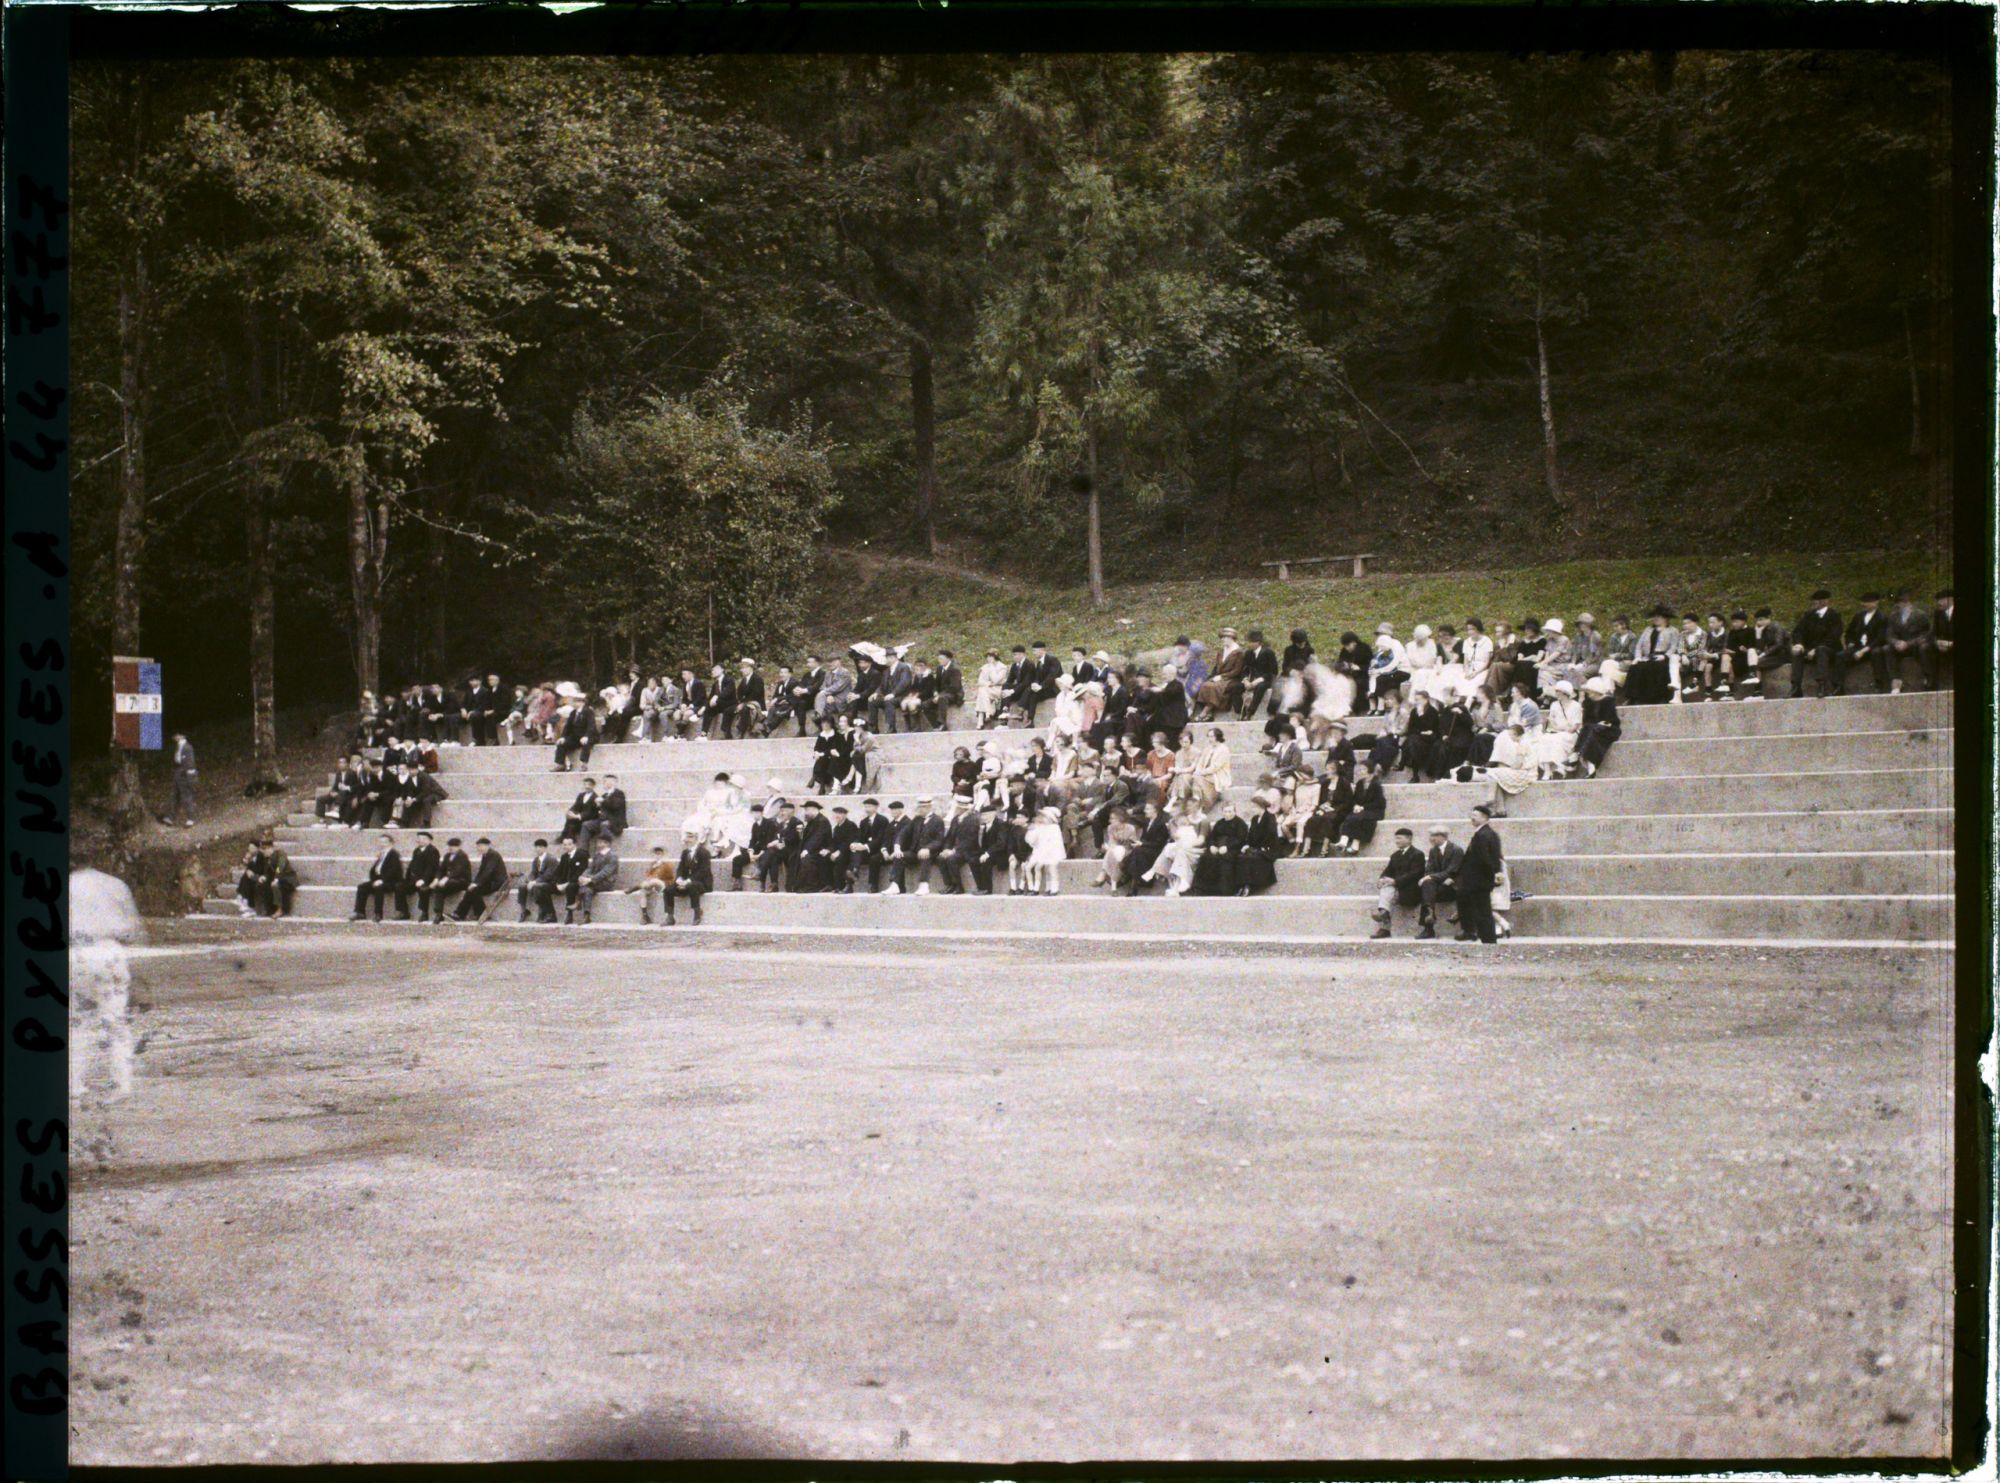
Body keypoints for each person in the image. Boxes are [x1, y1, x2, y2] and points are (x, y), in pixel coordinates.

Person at [69, 858, 144, 1106]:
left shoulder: (68, 885)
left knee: (77, 1022)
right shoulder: (115, 885)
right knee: (115, 1021)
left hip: (77, 953)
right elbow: (132, 929)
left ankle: (74, 1084)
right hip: (108, 952)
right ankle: (122, 1083)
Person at [1456, 804, 1504, 944]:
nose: (1472, 818)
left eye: (1475, 815)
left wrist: (1493, 873)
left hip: (1479, 880)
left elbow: (1486, 858)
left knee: (1482, 912)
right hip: (1479, 879)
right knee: (1481, 910)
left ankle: (1488, 941)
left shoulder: (1483, 835)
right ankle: (1485, 939)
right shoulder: (1486, 833)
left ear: (1484, 817)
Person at [1371, 827, 1425, 938]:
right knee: (1386, 888)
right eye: (1396, 838)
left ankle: (1384, 925)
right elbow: (1388, 871)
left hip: (1411, 890)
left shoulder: (1418, 854)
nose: (1396, 841)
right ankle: (1384, 915)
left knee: (1387, 892)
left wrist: (1395, 881)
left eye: (1399, 838)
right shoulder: (1395, 855)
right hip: (1396, 888)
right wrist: (1382, 879)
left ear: (1409, 839)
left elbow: (1415, 874)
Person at [1790, 589, 1843, 698]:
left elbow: (1834, 636)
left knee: (1821, 650)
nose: (1814, 603)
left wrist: (1816, 649)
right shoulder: (1809, 615)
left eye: (1818, 601)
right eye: (1814, 601)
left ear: (1825, 601)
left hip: (1830, 649)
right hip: (1811, 649)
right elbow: (1798, 631)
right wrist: (1799, 644)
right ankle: (1796, 687)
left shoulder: (1834, 615)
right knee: (1797, 653)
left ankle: (1822, 685)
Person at [1415, 824, 1464, 940]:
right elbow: (1429, 870)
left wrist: (1430, 877)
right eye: (1431, 836)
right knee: (1427, 885)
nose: (1431, 839)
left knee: (1427, 887)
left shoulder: (1456, 850)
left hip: (1453, 886)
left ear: (1444, 836)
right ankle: (1429, 915)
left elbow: (1452, 871)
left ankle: (1428, 925)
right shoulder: (1433, 851)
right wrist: (1429, 877)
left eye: (1434, 836)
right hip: (1439, 886)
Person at [350, 833, 405, 922]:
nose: (382, 844)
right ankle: (360, 912)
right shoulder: (381, 855)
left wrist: (382, 880)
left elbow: (393, 871)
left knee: (379, 888)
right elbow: (375, 870)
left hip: (390, 881)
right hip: (379, 879)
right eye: (381, 842)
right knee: (362, 887)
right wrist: (374, 880)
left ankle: (378, 913)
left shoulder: (394, 854)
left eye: (385, 842)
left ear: (391, 843)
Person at [1884, 591, 1932, 693]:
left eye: (1903, 602)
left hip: (1915, 646)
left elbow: (1926, 634)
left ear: (1909, 603)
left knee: (1924, 648)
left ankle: (1928, 677)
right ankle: (1896, 680)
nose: (1900, 605)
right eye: (1899, 603)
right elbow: (1889, 634)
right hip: (1899, 647)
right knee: (1887, 649)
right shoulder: (1893, 616)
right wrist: (1896, 642)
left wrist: (1909, 644)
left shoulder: (1921, 615)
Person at [1335, 761, 1386, 855]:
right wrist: (1355, 805)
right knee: (1352, 816)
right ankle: (1346, 842)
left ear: (1369, 770)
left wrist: (1363, 807)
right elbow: (1354, 799)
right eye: (1360, 769)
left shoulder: (1376, 784)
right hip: (1361, 810)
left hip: (1375, 810)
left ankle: (1351, 843)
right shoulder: (1360, 783)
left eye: (1363, 769)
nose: (1360, 771)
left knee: (1358, 817)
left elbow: (1380, 803)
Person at [1194, 627, 1246, 719]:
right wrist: (1212, 676)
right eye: (1222, 637)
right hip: (1219, 677)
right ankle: (1209, 713)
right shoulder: (1221, 651)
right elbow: (1216, 667)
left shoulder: (1239, 652)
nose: (1222, 639)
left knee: (1214, 687)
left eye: (1225, 637)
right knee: (1204, 685)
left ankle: (1205, 712)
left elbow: (1236, 670)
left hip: (1232, 678)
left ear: (1231, 638)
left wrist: (1222, 676)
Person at [453, 837, 508, 921]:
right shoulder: (485, 855)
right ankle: (462, 914)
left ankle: (464, 914)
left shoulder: (493, 855)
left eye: (481, 846)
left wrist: (477, 883)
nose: (479, 848)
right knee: (471, 890)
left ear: (487, 846)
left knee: (474, 890)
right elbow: (481, 872)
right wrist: (474, 883)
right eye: (478, 846)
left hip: (497, 883)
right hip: (489, 881)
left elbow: (488, 871)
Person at [1575, 676, 1620, 776]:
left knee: (1591, 731)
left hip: (1608, 729)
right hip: (1592, 729)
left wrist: (1602, 724)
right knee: (1589, 729)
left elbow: (1611, 720)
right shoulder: (1588, 703)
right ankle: (1591, 767)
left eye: (1590, 691)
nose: (1588, 694)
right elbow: (1586, 720)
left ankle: (1577, 754)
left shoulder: (1608, 701)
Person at [421, 837, 472, 924]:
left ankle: (438, 913)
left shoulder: (462, 856)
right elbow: (441, 869)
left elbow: (457, 871)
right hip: (449, 882)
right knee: (438, 889)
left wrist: (446, 878)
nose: (451, 848)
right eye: (450, 846)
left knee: (440, 887)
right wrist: (437, 879)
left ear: (459, 847)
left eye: (454, 846)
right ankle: (438, 913)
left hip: (462, 881)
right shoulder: (447, 856)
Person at [570, 834, 620, 924]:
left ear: (607, 843)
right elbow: (590, 868)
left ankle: (578, 902)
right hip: (594, 881)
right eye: (598, 842)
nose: (598, 844)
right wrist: (583, 876)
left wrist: (590, 879)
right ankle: (586, 915)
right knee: (587, 889)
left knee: (586, 885)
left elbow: (605, 872)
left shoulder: (612, 856)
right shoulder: (597, 855)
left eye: (601, 842)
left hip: (607, 882)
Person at [665, 829, 712, 924]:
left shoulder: (704, 853)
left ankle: (697, 913)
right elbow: (680, 868)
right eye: (687, 837)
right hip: (686, 882)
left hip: (702, 883)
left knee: (692, 886)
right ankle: (670, 916)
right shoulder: (685, 853)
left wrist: (687, 881)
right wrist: (679, 879)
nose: (688, 840)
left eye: (691, 837)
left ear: (697, 839)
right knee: (668, 889)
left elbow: (703, 872)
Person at [1023, 806, 1066, 895]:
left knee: (1052, 870)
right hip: (1044, 852)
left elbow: (1055, 842)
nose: (1042, 819)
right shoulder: (1041, 827)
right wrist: (1032, 831)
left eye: (1045, 817)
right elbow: (1033, 841)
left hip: (1053, 852)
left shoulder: (1054, 828)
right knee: (1047, 870)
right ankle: (1048, 888)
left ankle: (1054, 888)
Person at [516, 838, 558, 922]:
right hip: (539, 882)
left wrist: (535, 882)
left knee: (538, 887)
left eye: (540, 847)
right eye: (536, 847)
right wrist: (530, 881)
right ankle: (524, 910)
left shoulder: (551, 859)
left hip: (551, 883)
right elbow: (533, 873)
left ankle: (547, 913)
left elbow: (549, 875)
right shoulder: (536, 860)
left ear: (545, 848)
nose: (538, 849)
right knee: (522, 886)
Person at [554, 699, 599, 771]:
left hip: (588, 736)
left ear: (582, 703)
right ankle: (561, 764)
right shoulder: (573, 713)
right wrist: (563, 737)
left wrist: (586, 736)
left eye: (576, 702)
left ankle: (584, 764)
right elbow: (567, 727)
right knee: (561, 744)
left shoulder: (588, 711)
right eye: (574, 701)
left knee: (586, 743)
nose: (574, 703)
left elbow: (591, 725)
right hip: (576, 737)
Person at [637, 845, 677, 924]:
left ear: (663, 854)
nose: (657, 856)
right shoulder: (652, 864)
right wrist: (653, 869)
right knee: (643, 891)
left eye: (659, 854)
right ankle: (645, 915)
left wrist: (662, 865)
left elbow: (671, 877)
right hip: (652, 886)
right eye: (656, 854)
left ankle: (636, 887)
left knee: (655, 881)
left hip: (664, 884)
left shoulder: (667, 864)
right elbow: (647, 876)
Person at [973, 650, 1009, 729]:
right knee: (982, 691)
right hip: (987, 689)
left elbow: (996, 680)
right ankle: (986, 716)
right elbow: (980, 681)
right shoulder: (985, 666)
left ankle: (982, 719)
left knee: (982, 692)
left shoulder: (1002, 667)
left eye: (990, 656)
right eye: (987, 657)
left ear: (995, 657)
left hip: (998, 689)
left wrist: (991, 668)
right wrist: (988, 683)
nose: (988, 658)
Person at [169, 732, 198, 827]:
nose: (174, 737)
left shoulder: (187, 747)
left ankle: (191, 818)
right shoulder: (178, 746)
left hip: (185, 773)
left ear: (181, 736)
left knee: (186, 795)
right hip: (178, 770)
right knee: (174, 794)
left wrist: (190, 775)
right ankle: (171, 817)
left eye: (176, 735)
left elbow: (190, 762)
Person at [1932, 589, 1955, 689]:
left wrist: (1951, 644)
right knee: (1926, 648)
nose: (1939, 603)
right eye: (1938, 600)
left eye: (1941, 600)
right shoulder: (1938, 613)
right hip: (1943, 646)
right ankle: (1932, 681)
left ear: (1950, 599)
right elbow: (1934, 632)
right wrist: (1937, 642)